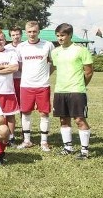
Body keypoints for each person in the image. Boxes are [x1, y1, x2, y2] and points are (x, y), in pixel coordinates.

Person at [51, 23, 94, 159]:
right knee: (63, 119)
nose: (60, 38)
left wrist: (81, 85)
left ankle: (84, 151)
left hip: (76, 90)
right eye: (58, 36)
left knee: (79, 119)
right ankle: (67, 147)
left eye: (62, 35)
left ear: (70, 35)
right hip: (60, 90)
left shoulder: (81, 50)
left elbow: (88, 72)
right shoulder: (55, 52)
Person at [16, 21, 55, 151]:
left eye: (34, 31)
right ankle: (27, 141)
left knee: (44, 113)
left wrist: (46, 75)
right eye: (29, 32)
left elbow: (53, 63)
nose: (32, 34)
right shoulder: (21, 47)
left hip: (43, 85)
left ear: (39, 32)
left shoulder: (48, 45)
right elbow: (19, 65)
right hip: (26, 85)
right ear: (25, 32)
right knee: (25, 112)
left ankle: (44, 142)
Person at [6, 26, 23, 101]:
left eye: (17, 34)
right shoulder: (6, 48)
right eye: (13, 35)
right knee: (12, 101)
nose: (16, 37)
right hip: (10, 79)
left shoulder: (26, 46)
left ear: (21, 34)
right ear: (10, 36)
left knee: (22, 102)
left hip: (23, 79)